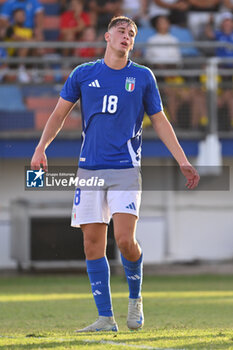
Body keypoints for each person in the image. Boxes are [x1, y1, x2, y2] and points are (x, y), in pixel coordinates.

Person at [31, 15, 200, 332]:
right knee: (92, 244)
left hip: (125, 169)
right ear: (107, 37)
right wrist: (41, 148)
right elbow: (57, 114)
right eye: (121, 31)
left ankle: (135, 301)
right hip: (89, 170)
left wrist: (182, 159)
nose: (127, 36)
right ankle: (105, 318)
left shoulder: (143, 77)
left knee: (124, 240)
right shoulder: (83, 74)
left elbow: (160, 121)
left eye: (132, 33)